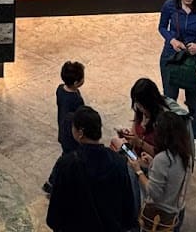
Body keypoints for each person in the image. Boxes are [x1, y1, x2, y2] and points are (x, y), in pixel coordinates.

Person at [46, 105, 138, 232]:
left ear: (80, 133)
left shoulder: (66, 165)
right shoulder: (119, 162)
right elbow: (128, 213)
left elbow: (54, 218)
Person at [158, 0, 196, 160]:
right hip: (171, 57)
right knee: (170, 99)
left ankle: (195, 139)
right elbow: (162, 27)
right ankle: (171, 138)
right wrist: (172, 40)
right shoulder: (169, 6)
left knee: (194, 101)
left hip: (194, 59)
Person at [130, 110, 193, 231]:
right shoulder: (185, 155)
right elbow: (172, 177)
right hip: (175, 214)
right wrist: (152, 164)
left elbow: (153, 192)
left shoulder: (163, 159)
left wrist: (138, 171)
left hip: (157, 217)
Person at [116, 78, 191, 162]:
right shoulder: (140, 111)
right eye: (137, 103)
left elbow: (163, 156)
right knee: (115, 143)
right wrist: (127, 136)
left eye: (141, 105)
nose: (139, 107)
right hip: (135, 156)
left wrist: (140, 143)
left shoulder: (164, 121)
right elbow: (134, 136)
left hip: (152, 162)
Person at [44, 61, 85, 194]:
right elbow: (80, 117)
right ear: (76, 82)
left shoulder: (60, 89)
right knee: (67, 158)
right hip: (71, 134)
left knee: (69, 157)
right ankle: (52, 182)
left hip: (63, 130)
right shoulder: (76, 99)